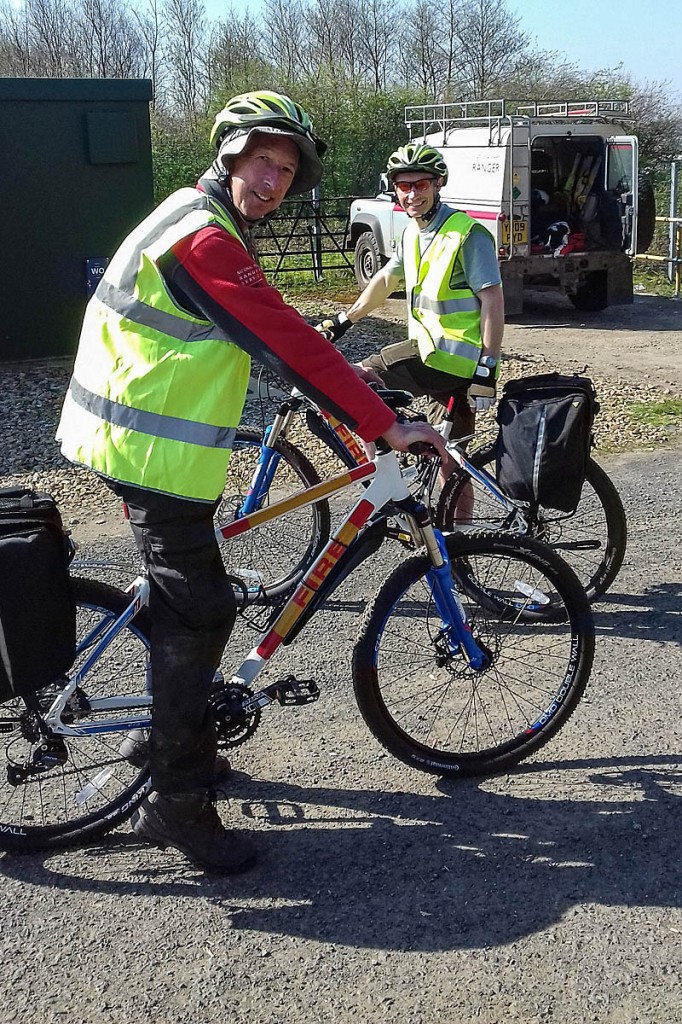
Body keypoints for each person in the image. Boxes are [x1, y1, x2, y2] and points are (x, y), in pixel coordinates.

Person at [56, 92, 445, 874]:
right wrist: (385, 423)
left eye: (286, 171)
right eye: (263, 162)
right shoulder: (205, 238)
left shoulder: (195, 213)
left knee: (188, 603)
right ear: (231, 154)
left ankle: (165, 731)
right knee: (200, 610)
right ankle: (176, 803)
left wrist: (324, 377)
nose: (272, 182)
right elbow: (283, 336)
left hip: (131, 437)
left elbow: (257, 327)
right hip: (145, 452)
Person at [317, 142, 505, 466]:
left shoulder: (466, 234)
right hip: (438, 360)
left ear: (438, 184)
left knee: (362, 378)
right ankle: (454, 518)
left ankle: (382, 477)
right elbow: (386, 280)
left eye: (421, 185)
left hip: (449, 358)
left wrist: (487, 369)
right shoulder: (411, 233)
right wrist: (345, 319)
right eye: (404, 186)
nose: (412, 195)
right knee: (451, 460)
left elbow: (493, 299)